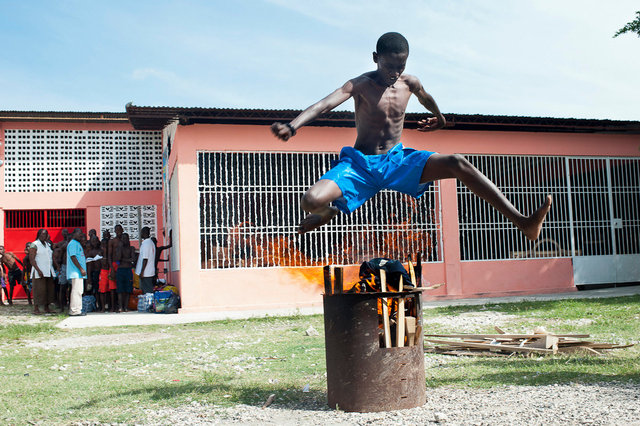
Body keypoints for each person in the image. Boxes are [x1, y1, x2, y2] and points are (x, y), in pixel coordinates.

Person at [271, 32, 551, 240]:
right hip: (360, 166)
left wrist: (440, 119)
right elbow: (324, 104)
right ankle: (328, 212)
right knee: (310, 200)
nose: (394, 73)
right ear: (375, 58)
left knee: (458, 162)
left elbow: (426, 98)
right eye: (389, 66)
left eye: (400, 67)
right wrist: (293, 126)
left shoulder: (409, 82)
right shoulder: (359, 84)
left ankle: (523, 222)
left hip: (396, 160)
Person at [29, 229, 56, 315]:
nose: (45, 236)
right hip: (39, 271)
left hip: (48, 270)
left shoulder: (47, 245)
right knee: (38, 289)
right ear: (39, 235)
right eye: (43, 234)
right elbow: (32, 259)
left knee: (48, 289)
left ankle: (46, 307)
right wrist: (38, 270)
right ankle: (36, 308)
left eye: (46, 234)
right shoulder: (34, 244)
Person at [66, 228, 87, 316]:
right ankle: (75, 311)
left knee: (79, 291)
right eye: (79, 233)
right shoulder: (73, 244)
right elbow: (73, 257)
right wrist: (81, 269)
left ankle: (77, 309)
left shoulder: (77, 243)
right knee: (76, 291)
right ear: (74, 234)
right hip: (76, 272)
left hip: (78, 272)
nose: (81, 235)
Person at [114, 233, 135, 312]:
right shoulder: (119, 248)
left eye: (125, 238)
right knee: (120, 290)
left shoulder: (131, 248)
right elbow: (118, 258)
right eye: (122, 238)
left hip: (128, 270)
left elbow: (133, 259)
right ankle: (121, 307)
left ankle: (126, 307)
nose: (124, 240)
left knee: (128, 290)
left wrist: (123, 259)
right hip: (120, 270)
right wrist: (120, 247)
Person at [53, 230, 70, 312]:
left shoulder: (73, 243)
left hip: (71, 267)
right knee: (62, 287)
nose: (65, 235)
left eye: (66, 233)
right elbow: (58, 257)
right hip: (64, 267)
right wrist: (58, 267)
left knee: (71, 287)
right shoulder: (62, 244)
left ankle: (70, 304)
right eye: (64, 233)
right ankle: (62, 306)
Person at [136, 227, 156, 294]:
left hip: (146, 273)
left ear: (144, 233)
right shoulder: (151, 243)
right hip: (148, 272)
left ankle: (150, 304)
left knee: (147, 292)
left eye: (141, 232)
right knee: (148, 290)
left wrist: (142, 272)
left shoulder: (146, 244)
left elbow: (145, 259)